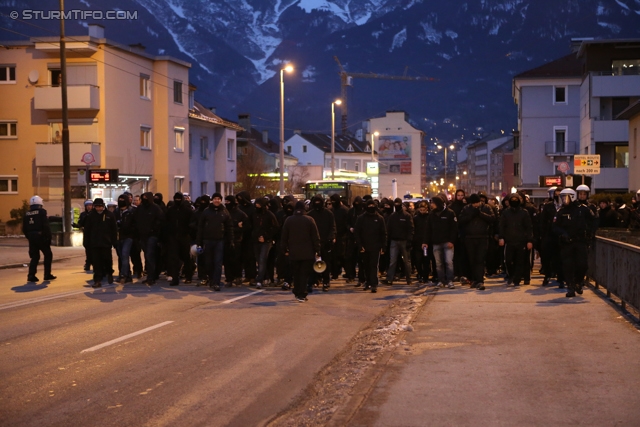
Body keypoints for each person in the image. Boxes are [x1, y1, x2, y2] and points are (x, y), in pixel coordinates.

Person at [553, 188, 596, 297]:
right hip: (566, 243)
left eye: (565, 197)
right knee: (567, 266)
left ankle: (578, 282)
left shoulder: (582, 209)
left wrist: (590, 234)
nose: (563, 200)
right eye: (562, 197)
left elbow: (593, 220)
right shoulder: (560, 211)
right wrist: (562, 234)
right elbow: (554, 226)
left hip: (580, 241)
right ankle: (570, 287)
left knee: (583, 265)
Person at [281, 201, 321, 302]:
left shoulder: (289, 220)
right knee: (304, 274)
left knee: (296, 273)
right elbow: (315, 237)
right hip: (307, 253)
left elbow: (284, 237)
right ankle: (302, 293)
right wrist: (317, 250)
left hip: (293, 252)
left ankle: (297, 291)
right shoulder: (310, 220)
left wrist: (284, 249)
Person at [196, 193, 234, 291]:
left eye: (218, 199)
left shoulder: (224, 212)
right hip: (207, 240)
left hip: (219, 241)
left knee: (218, 262)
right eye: (215, 199)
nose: (217, 200)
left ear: (221, 200)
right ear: (212, 200)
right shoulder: (206, 212)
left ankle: (216, 282)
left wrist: (230, 240)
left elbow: (229, 227)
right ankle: (211, 279)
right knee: (208, 262)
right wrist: (199, 241)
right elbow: (200, 227)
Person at [458, 193, 495, 290]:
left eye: (477, 203)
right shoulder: (466, 209)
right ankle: (474, 280)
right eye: (474, 203)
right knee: (472, 259)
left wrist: (480, 214)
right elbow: (461, 220)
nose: (476, 205)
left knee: (480, 259)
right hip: (470, 238)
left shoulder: (486, 207)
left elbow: (492, 219)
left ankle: (479, 281)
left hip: (483, 237)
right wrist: (471, 215)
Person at [499, 193, 534, 287]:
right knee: (508, 260)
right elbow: (502, 226)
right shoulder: (506, 212)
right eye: (512, 199)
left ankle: (517, 279)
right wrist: (501, 237)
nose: (514, 201)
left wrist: (529, 240)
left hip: (521, 241)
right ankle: (511, 275)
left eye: (516, 199)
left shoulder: (524, 212)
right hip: (509, 241)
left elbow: (529, 227)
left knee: (520, 261)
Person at [423, 195, 458, 289]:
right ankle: (441, 280)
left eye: (432, 203)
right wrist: (425, 242)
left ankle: (450, 280)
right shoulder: (431, 214)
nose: (431, 205)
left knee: (448, 262)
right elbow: (428, 229)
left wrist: (452, 241)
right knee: (438, 264)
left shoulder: (450, 213)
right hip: (436, 243)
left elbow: (454, 229)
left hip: (447, 243)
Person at [355, 198, 387, 293]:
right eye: (369, 206)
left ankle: (374, 284)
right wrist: (360, 245)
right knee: (366, 266)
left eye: (373, 206)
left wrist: (383, 246)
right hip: (364, 247)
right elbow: (357, 233)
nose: (371, 208)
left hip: (375, 246)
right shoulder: (361, 218)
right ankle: (367, 282)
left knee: (373, 266)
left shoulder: (380, 218)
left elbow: (383, 233)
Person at [132, 192, 165, 285]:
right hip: (143, 236)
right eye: (144, 197)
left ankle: (152, 276)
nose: (145, 199)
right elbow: (135, 220)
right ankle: (150, 275)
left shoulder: (155, 208)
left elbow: (160, 221)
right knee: (147, 255)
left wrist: (154, 230)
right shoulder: (140, 209)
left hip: (152, 236)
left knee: (150, 255)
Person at [84, 198, 117, 288]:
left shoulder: (109, 215)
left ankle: (109, 273)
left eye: (100, 206)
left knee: (107, 260)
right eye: (97, 206)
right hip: (94, 243)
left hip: (106, 243)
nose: (99, 208)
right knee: (96, 262)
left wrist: (114, 242)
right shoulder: (91, 216)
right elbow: (87, 230)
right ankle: (97, 280)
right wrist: (86, 242)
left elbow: (114, 230)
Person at [307, 195, 336, 291]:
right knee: (312, 263)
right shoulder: (310, 215)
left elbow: (332, 227)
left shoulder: (328, 214)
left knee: (326, 263)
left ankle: (326, 281)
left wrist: (330, 238)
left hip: (325, 242)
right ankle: (313, 281)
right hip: (313, 243)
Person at [23, 195, 55, 283]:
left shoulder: (26, 214)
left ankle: (31, 275)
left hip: (31, 237)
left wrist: (29, 237)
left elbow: (24, 228)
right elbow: (45, 225)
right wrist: (48, 237)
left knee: (35, 257)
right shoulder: (42, 212)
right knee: (48, 255)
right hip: (41, 237)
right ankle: (47, 274)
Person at [383, 198, 414, 286]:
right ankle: (389, 279)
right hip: (394, 241)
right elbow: (388, 229)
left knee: (406, 261)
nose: (396, 206)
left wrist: (409, 240)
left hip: (404, 241)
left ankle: (409, 279)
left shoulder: (407, 216)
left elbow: (411, 229)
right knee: (393, 261)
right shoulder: (393, 216)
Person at [166, 192, 194, 286]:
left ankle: (188, 276)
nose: (177, 200)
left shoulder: (187, 210)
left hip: (184, 237)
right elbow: (167, 223)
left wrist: (188, 232)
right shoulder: (171, 210)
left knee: (186, 257)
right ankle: (175, 278)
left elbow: (192, 223)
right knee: (174, 258)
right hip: (173, 237)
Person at [250, 197, 279, 289]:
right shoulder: (254, 214)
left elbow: (275, 227)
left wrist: (266, 236)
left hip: (266, 241)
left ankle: (259, 280)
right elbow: (250, 225)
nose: (257, 206)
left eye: (259, 204)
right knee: (259, 260)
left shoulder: (269, 215)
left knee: (262, 259)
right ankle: (265, 277)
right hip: (255, 240)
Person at [115, 194, 136, 284]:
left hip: (128, 237)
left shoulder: (132, 211)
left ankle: (124, 275)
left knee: (124, 255)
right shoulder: (116, 212)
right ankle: (127, 274)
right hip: (119, 237)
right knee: (121, 256)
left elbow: (135, 224)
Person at [76, 199, 93, 271]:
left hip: (94, 234)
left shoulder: (94, 214)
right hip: (86, 234)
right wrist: (77, 225)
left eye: (90, 205)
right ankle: (88, 263)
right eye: (87, 205)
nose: (89, 207)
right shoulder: (83, 214)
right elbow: (80, 223)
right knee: (88, 249)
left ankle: (93, 263)